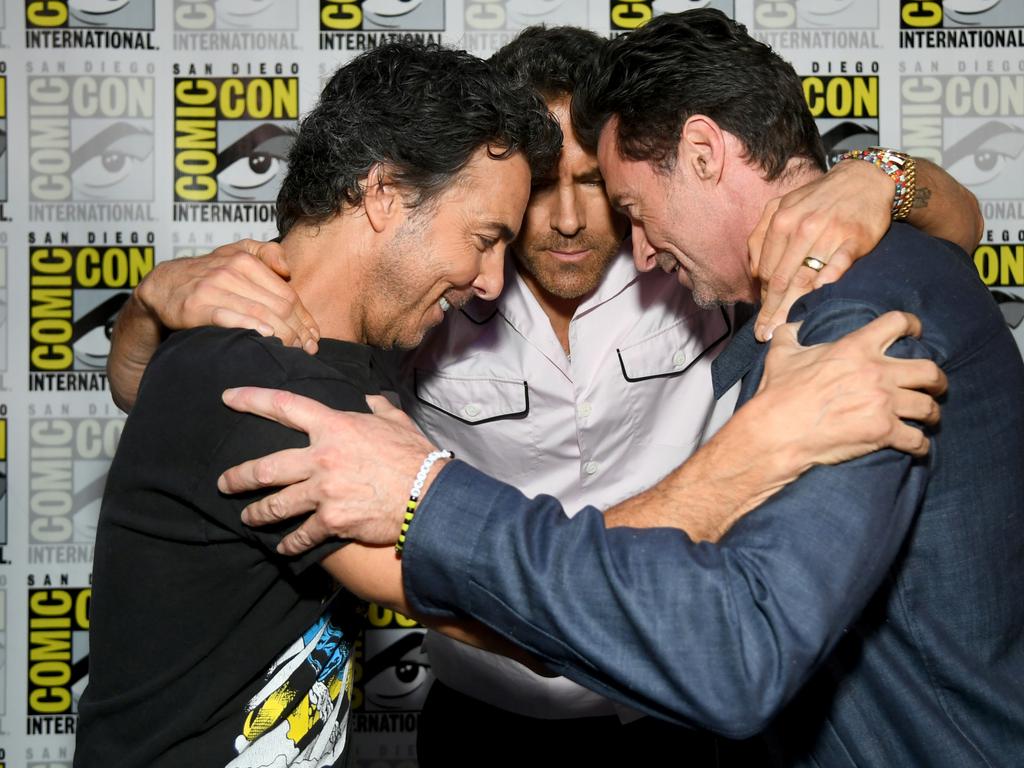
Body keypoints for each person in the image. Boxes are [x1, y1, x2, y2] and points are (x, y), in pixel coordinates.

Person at [107, 26, 978, 767]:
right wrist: (148, 311)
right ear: (385, 194)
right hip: (498, 715)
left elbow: (948, 243)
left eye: (600, 189)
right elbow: (499, 605)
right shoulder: (369, 333)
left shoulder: (699, 270)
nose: (553, 230)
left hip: (669, 714)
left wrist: (880, 174)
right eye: (497, 227)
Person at [75, 41, 562, 768]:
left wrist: (146, 313)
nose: (491, 280)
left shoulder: (320, 358)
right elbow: (509, 616)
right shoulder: (263, 379)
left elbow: (147, 395)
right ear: (383, 193)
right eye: (485, 238)